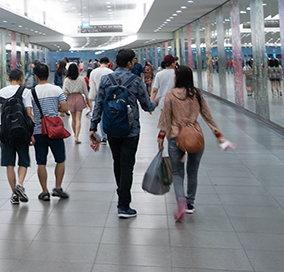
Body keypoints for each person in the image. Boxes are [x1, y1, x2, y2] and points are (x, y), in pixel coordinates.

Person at [157, 66, 233, 221]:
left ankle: (180, 201)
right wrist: (218, 135)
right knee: (193, 171)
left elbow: (165, 118)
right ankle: (190, 203)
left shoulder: (170, 95)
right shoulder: (197, 94)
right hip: (195, 136)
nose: (173, 77)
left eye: (175, 75)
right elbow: (207, 116)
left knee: (177, 172)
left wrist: (160, 137)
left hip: (175, 137)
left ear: (179, 77)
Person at [89, 49, 157, 218]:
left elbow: (98, 104)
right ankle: (124, 205)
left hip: (111, 128)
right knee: (127, 166)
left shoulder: (106, 79)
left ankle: (122, 197)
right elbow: (147, 105)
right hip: (131, 130)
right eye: (133, 61)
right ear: (129, 63)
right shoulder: (135, 80)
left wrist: (93, 126)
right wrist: (155, 102)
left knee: (117, 162)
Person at [30, 62, 70, 201]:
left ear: (35, 77)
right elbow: (65, 108)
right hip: (55, 130)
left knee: (41, 162)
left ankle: (44, 191)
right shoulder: (56, 89)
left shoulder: (31, 92)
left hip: (38, 131)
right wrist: (56, 109)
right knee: (60, 159)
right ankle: (57, 188)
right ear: (48, 74)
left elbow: (29, 113)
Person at [0, 68, 33, 204]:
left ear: (9, 79)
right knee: (23, 161)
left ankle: (14, 194)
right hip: (22, 132)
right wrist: (31, 133)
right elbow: (29, 114)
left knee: (9, 164)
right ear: (21, 79)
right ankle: (20, 185)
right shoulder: (25, 92)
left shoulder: (2, 92)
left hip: (6, 133)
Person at [62, 63, 87, 144]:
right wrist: (87, 99)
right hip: (79, 97)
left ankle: (74, 135)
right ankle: (77, 136)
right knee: (78, 119)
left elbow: (64, 91)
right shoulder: (81, 79)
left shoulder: (66, 80)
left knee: (73, 119)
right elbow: (85, 90)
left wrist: (64, 101)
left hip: (70, 98)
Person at [88, 57, 113, 128]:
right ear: (108, 63)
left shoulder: (93, 72)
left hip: (98, 96)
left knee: (100, 114)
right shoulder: (111, 72)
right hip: (109, 96)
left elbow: (91, 85)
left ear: (99, 63)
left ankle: (104, 135)